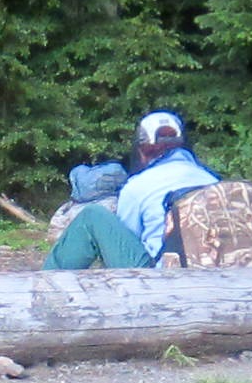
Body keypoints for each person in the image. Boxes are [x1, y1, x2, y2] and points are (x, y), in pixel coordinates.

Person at [48, 111, 220, 269]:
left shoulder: (137, 187)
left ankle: (46, 286)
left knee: (92, 216)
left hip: (161, 278)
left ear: (142, 150)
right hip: (215, 273)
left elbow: (127, 241)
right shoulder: (211, 180)